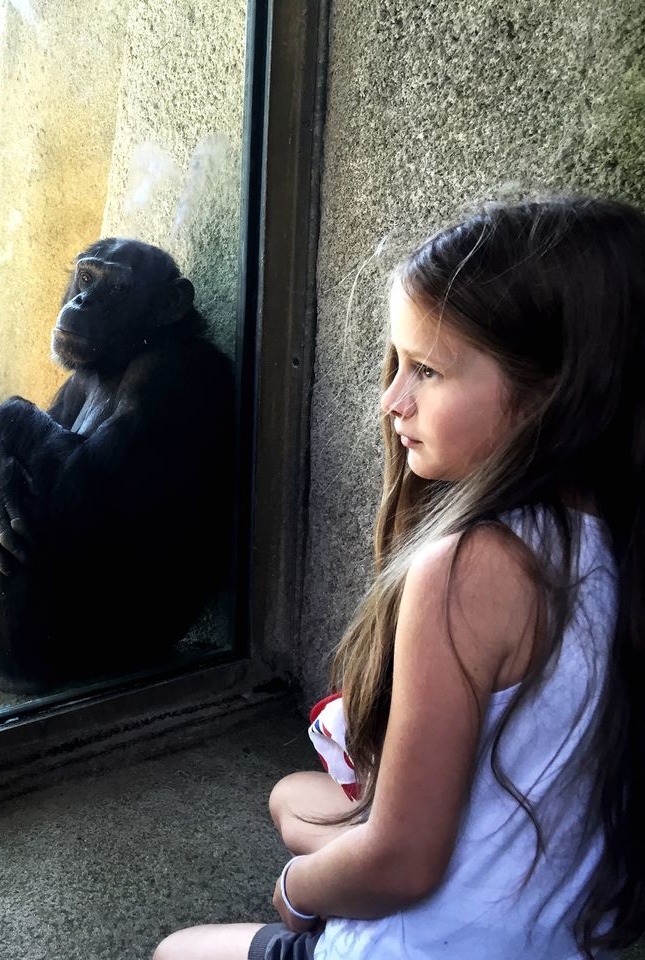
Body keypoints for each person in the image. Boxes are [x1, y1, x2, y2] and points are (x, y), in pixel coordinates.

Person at [155, 196, 645, 959]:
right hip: (548, 933)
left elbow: (402, 862)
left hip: (424, 944)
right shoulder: (612, 540)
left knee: (178, 948)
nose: (392, 402)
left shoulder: (472, 568)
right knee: (291, 797)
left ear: (551, 391)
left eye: (426, 370)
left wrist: (295, 893)